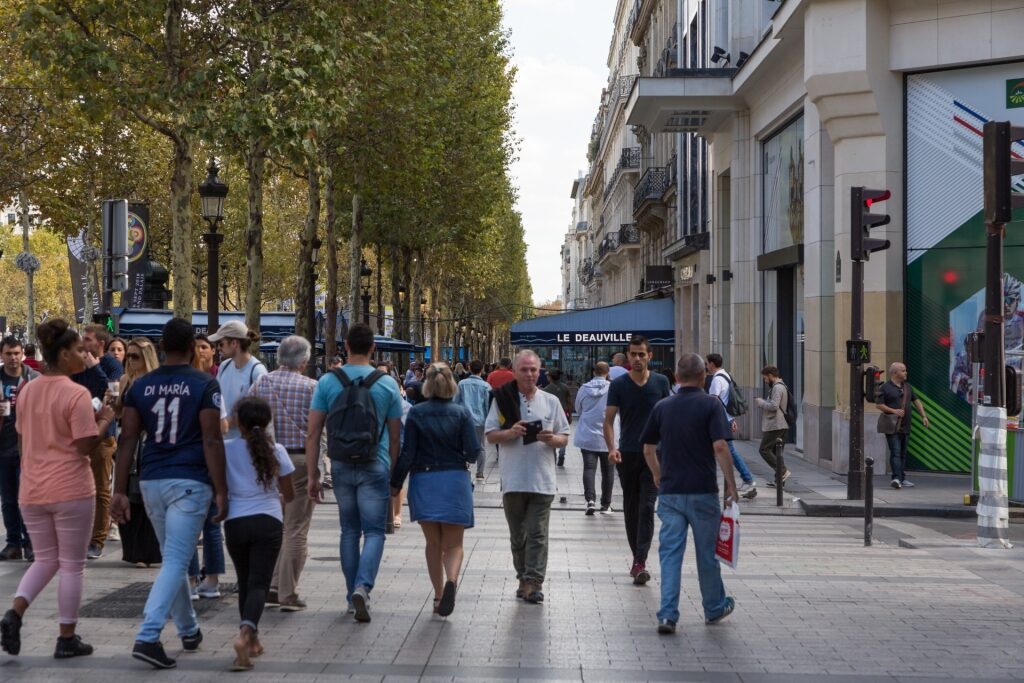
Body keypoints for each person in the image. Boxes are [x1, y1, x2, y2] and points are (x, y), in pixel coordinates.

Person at [110, 317, 228, 670]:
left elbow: (127, 438)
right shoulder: (205, 384)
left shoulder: (140, 386)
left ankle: (189, 629)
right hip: (190, 479)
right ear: (193, 348)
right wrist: (222, 489)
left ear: (161, 347)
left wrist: (118, 490)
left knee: (172, 557)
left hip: (151, 479)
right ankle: (148, 635)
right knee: (176, 559)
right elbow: (211, 438)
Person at [1, 319, 115, 658]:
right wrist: (106, 418)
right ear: (63, 355)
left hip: (33, 488)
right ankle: (66, 635)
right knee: (72, 565)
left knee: (46, 559)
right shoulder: (76, 393)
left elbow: (22, 437)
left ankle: (14, 613)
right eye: (79, 350)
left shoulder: (27, 390)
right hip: (70, 488)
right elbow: (84, 445)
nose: (85, 354)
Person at [306, 324, 403, 623]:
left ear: (346, 346)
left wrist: (314, 474)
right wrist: (394, 473)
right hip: (376, 463)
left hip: (342, 464)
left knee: (349, 530)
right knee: (374, 531)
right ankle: (364, 586)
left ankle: (351, 597)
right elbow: (396, 435)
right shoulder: (387, 385)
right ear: (374, 347)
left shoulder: (327, 382)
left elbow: (313, 433)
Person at [640, 353, 737, 634]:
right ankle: (714, 607)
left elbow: (648, 448)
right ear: (703, 376)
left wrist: (658, 474)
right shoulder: (711, 405)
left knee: (670, 555)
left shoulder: (662, 407)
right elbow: (720, 446)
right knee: (707, 554)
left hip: (670, 493)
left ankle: (668, 615)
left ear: (678, 378)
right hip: (702, 491)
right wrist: (731, 485)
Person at [390, 364, 478, 617]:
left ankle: (439, 596)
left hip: (425, 481)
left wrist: (396, 483)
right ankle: (452, 579)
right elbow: (473, 452)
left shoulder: (417, 413)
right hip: (455, 481)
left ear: (426, 384)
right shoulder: (462, 413)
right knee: (454, 544)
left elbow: (408, 453)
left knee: (433, 544)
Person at [486, 350, 569, 604]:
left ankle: (534, 582)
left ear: (540, 371)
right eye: (524, 369)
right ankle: (522, 577)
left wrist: (551, 439)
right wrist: (511, 432)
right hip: (513, 480)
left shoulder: (551, 401)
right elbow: (490, 434)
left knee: (537, 533)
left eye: (534, 369)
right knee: (518, 535)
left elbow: (564, 436)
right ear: (514, 371)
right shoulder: (503, 399)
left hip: (542, 480)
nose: (530, 374)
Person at [194, 321, 266, 599]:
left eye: (221, 344)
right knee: (218, 513)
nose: (218, 348)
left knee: (241, 515)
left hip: (245, 451)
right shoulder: (223, 368)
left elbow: (257, 413)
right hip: (222, 449)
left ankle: (244, 574)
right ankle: (214, 574)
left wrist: (227, 421)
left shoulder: (257, 371)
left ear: (234, 344)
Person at [222, 397, 294, 671]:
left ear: (237, 422)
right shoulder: (277, 451)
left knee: (245, 580)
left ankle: (252, 640)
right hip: (268, 520)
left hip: (235, 521)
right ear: (267, 421)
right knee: (259, 584)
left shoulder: (226, 449)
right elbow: (289, 493)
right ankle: (244, 635)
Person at [248, 335, 317, 611]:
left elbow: (247, 415)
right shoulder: (312, 387)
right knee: (296, 527)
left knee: (276, 525)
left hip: (268, 460)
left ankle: (273, 585)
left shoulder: (262, 382)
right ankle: (287, 593)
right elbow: (318, 430)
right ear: (304, 360)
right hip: (299, 460)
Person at [603, 335, 671, 586]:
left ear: (650, 356)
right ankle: (637, 558)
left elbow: (669, 417)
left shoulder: (661, 382)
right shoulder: (618, 385)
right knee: (631, 509)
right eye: (633, 354)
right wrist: (612, 448)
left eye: (642, 354)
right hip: (628, 454)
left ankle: (640, 561)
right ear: (628, 357)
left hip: (655, 455)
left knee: (646, 507)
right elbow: (608, 421)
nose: (638, 358)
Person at [71, 324, 123, 561]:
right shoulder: (77, 362)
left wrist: (94, 367)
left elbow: (111, 393)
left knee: (101, 489)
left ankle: (97, 539)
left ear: (100, 343)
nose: (84, 342)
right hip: (78, 434)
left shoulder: (111, 364)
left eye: (88, 339)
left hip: (102, 435)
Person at [113, 338, 162, 567]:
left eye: (135, 356)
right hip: (128, 441)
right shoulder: (125, 380)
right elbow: (120, 412)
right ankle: (134, 551)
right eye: (129, 355)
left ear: (147, 358)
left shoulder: (157, 382)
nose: (130, 360)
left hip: (148, 440)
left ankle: (149, 551)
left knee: (145, 497)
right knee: (129, 494)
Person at [0, 337, 39, 561]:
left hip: (28, 448)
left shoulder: (33, 379)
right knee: (7, 498)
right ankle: (13, 543)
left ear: (22, 353)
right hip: (4, 447)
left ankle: (31, 542)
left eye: (16, 353)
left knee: (28, 498)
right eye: (8, 354)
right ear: (2, 355)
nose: (13, 358)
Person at [705, 354, 757, 500]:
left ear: (712, 364)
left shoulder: (717, 380)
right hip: (725, 418)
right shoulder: (726, 376)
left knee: (730, 452)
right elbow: (727, 401)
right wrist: (731, 419)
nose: (706, 366)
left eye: (707, 363)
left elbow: (714, 402)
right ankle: (745, 479)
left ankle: (747, 479)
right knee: (727, 451)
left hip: (719, 421)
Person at [876, 362, 930, 489]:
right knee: (895, 452)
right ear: (895, 373)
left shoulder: (907, 387)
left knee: (903, 453)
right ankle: (896, 478)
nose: (906, 373)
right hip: (892, 426)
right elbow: (878, 404)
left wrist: (924, 416)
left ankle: (902, 478)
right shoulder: (885, 387)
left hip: (905, 425)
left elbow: (916, 401)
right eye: (903, 370)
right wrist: (893, 410)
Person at [574, 362, 615, 516]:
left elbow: (578, 408)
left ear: (593, 371)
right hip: (608, 437)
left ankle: (590, 500)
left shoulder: (584, 388)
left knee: (589, 468)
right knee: (608, 471)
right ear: (608, 372)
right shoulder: (613, 388)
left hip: (587, 435)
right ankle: (606, 505)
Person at [754, 365, 792, 487]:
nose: (765, 381)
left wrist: (762, 403)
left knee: (764, 449)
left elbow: (774, 406)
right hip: (781, 424)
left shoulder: (777, 387)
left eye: (765, 378)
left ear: (770, 376)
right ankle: (779, 481)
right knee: (777, 453)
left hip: (776, 424)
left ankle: (783, 471)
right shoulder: (781, 386)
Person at [454, 359, 491, 481]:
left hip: (464, 420)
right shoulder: (486, 386)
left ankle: (465, 466)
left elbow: (456, 402)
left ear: (469, 369)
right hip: (480, 420)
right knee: (481, 446)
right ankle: (480, 472)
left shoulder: (462, 384)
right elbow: (487, 404)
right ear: (482, 370)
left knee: (463, 444)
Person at [542, 368, 571, 466]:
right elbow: (569, 402)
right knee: (563, 433)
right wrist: (570, 414)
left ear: (550, 377)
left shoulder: (546, 389)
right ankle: (562, 454)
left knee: (552, 433)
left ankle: (553, 454)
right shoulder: (565, 387)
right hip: (564, 413)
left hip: (550, 415)